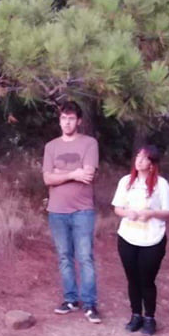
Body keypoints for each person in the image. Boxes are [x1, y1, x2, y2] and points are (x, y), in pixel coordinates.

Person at [42, 101, 101, 323]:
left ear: (79, 121)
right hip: (56, 210)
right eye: (63, 118)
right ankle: (70, 299)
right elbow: (47, 178)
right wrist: (72, 174)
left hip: (82, 210)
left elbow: (88, 174)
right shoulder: (51, 147)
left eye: (71, 118)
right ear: (60, 120)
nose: (67, 122)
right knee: (64, 257)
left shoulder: (89, 143)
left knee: (85, 257)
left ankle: (90, 304)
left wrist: (61, 173)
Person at [112, 145, 169, 336]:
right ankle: (136, 314)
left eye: (144, 158)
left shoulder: (161, 185)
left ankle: (150, 317)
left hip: (152, 239)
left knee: (147, 279)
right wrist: (126, 212)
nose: (139, 160)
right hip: (128, 237)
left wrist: (152, 213)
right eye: (138, 156)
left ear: (152, 164)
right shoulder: (126, 182)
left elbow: (168, 212)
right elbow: (117, 208)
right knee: (132, 278)